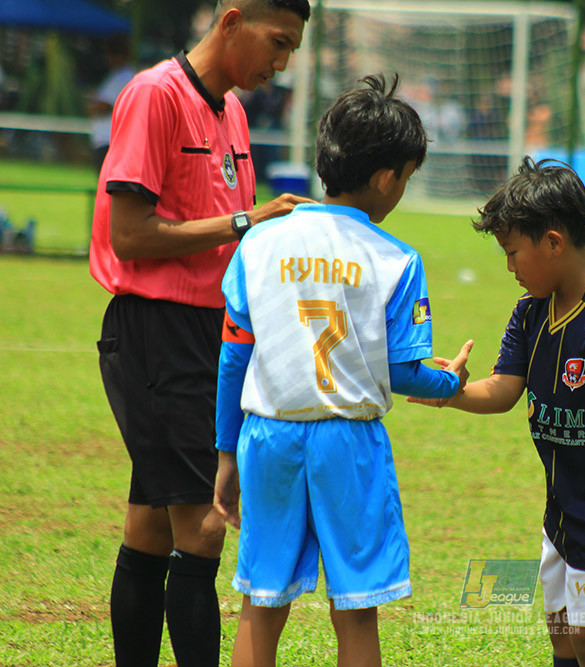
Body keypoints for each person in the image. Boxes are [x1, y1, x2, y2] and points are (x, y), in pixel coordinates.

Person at [212, 73, 472, 667]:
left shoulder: (259, 243)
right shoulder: (397, 259)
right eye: (406, 179)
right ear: (387, 178)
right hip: (347, 440)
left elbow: (234, 356)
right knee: (356, 608)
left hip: (267, 436)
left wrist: (226, 451)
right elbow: (404, 372)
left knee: (262, 600)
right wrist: (450, 381)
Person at [88, 2, 313, 665]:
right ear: (232, 20)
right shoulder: (156, 94)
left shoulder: (233, 112)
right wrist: (247, 221)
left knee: (152, 524)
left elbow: (230, 235)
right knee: (206, 526)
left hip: (212, 335)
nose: (281, 62)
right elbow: (127, 236)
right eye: (277, 42)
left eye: (293, 48)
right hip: (156, 331)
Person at [411, 157, 585, 667]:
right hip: (564, 508)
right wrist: (452, 392)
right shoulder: (531, 311)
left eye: (513, 252)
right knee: (562, 633)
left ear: (553, 242)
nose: (509, 267)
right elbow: (505, 389)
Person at [87, 33, 135, 173]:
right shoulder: (123, 76)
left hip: (109, 141)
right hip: (114, 141)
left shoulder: (121, 78)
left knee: (106, 190)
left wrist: (90, 106)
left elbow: (103, 107)